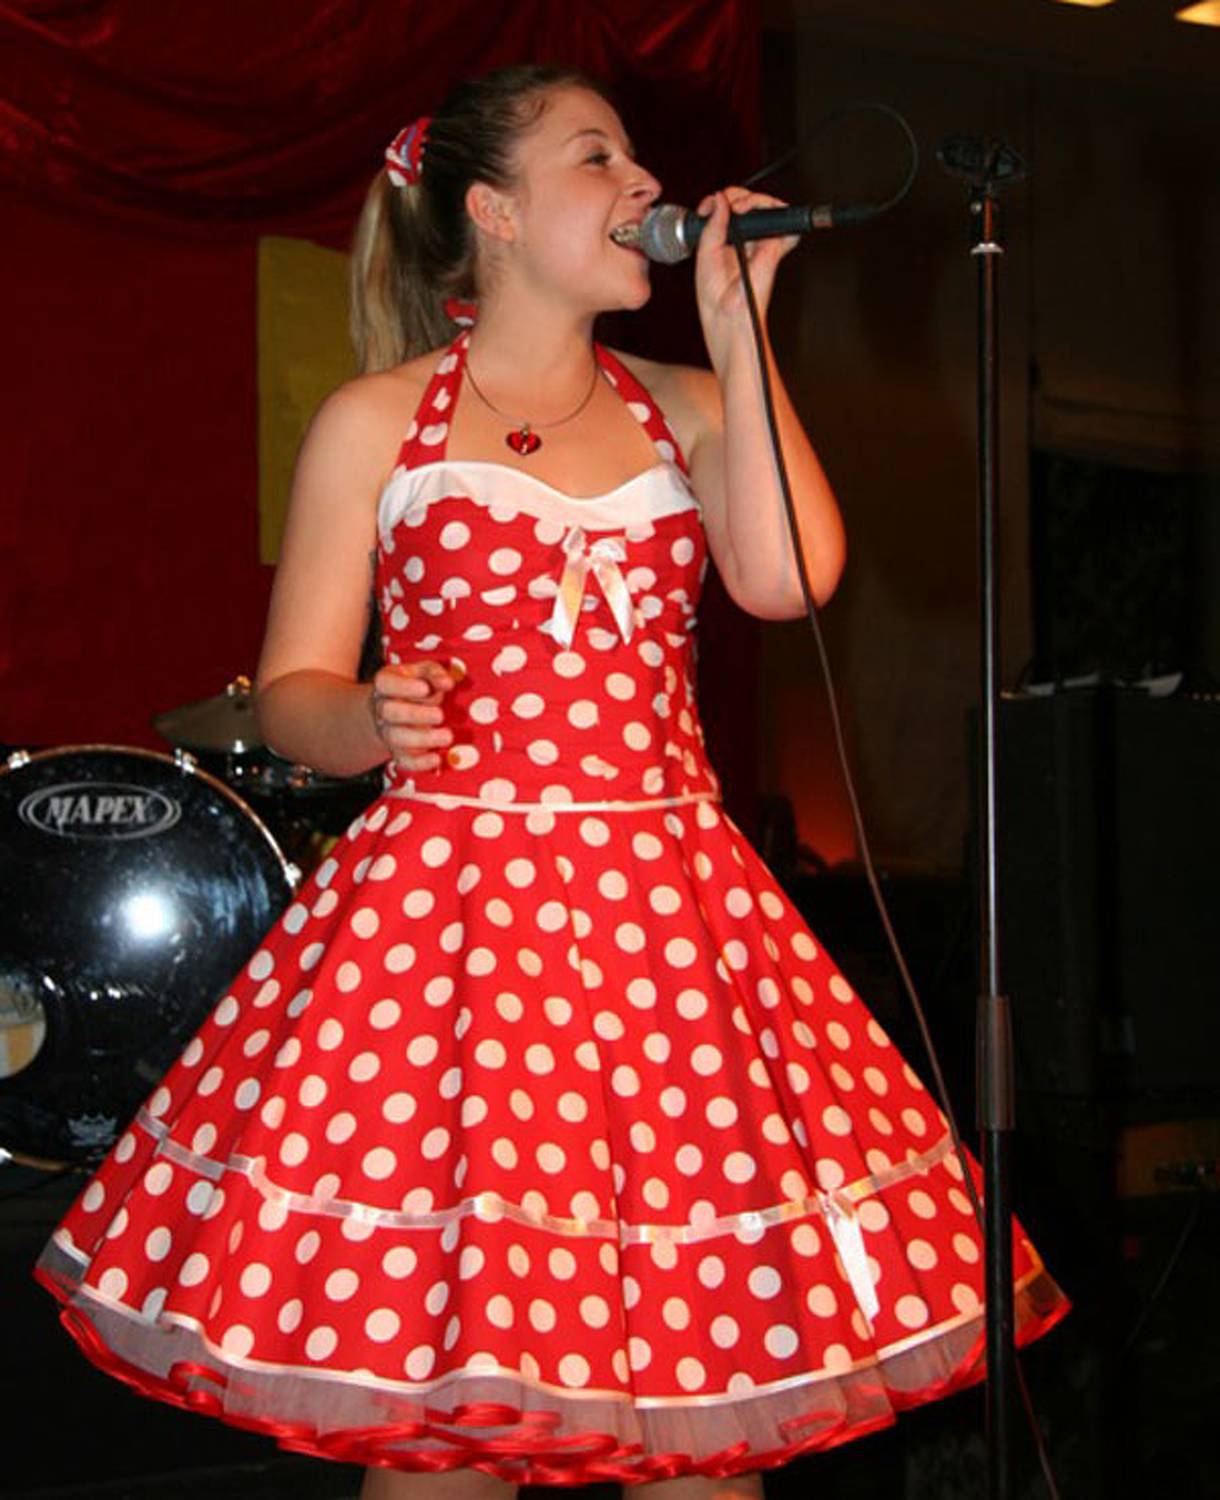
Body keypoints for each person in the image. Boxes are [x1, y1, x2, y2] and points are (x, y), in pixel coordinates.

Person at [37, 62, 1067, 1499]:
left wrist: (741, 335)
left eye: (638, 159)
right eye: (599, 157)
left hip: (666, 938)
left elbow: (787, 580)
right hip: (450, 940)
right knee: (449, 1420)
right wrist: (364, 719)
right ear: (495, 212)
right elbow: (293, 691)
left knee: (703, 1414)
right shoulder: (377, 420)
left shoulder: (689, 403)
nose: (645, 184)